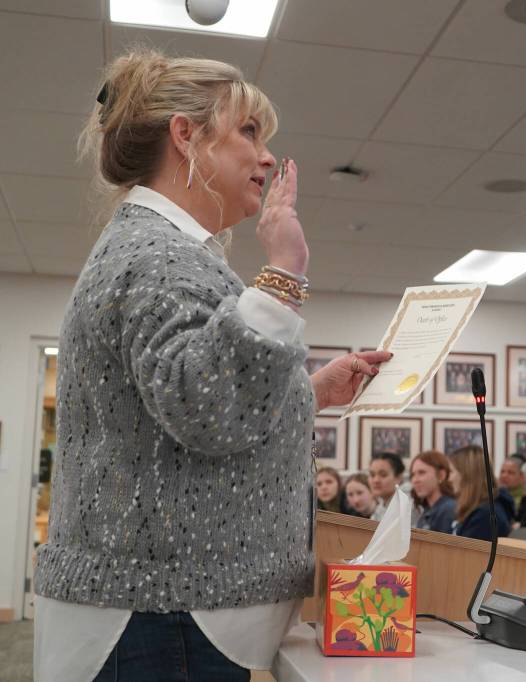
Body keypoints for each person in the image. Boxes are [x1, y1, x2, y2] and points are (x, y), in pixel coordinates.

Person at [33, 49, 391, 681]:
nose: (267, 157)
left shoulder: (161, 250)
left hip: (161, 612)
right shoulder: (158, 255)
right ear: (186, 135)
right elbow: (211, 411)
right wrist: (282, 277)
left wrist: (310, 393)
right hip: (158, 616)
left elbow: (177, 408)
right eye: (248, 131)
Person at [447, 445, 514, 541]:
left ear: (467, 474)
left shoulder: (485, 516)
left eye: (451, 472)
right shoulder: (478, 511)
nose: (449, 479)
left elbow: (465, 554)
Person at [410, 450, 457, 533]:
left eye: (421, 472)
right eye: (413, 474)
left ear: (441, 475)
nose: (415, 480)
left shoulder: (448, 509)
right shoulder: (427, 510)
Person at [368, 451, 405, 521]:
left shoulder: (406, 506)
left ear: (399, 477)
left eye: (383, 475)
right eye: (372, 475)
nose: (376, 480)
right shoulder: (380, 507)